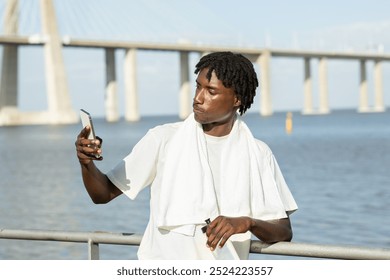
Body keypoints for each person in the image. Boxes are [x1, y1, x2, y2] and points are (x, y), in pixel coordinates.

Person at [75, 51, 298, 260]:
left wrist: (247, 223)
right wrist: (86, 163)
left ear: (237, 99)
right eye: (198, 87)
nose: (198, 98)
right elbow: (102, 194)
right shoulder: (163, 139)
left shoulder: (258, 153)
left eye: (211, 91)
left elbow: (283, 231)